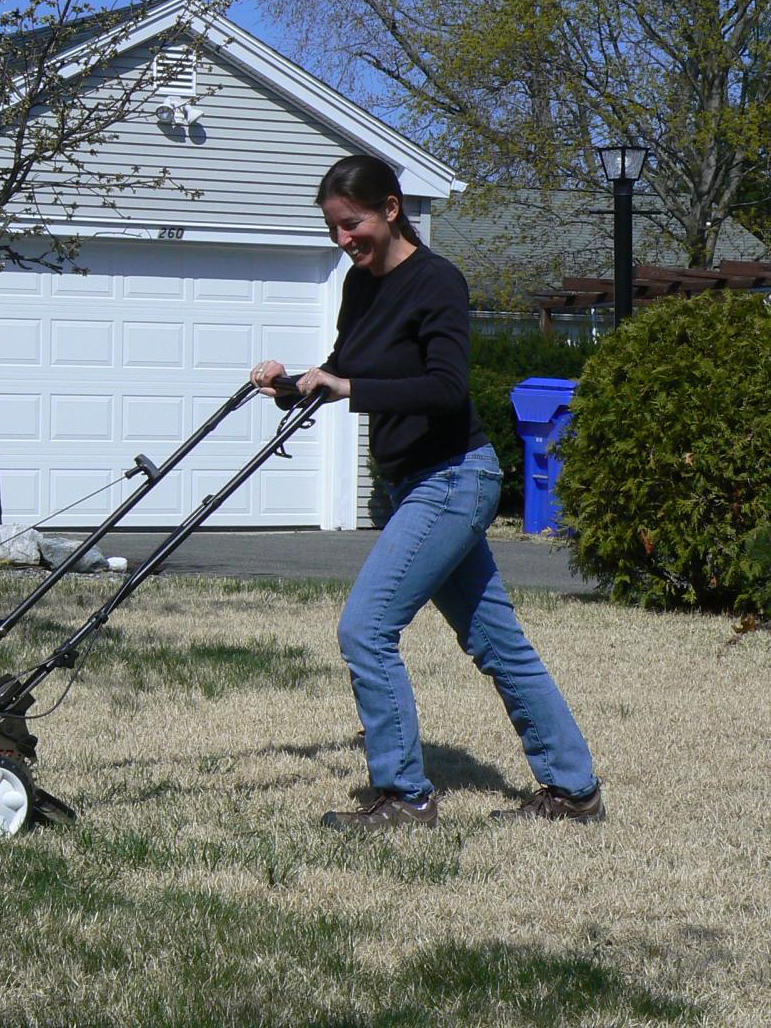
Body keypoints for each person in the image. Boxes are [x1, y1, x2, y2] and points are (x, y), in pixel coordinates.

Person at [251, 154, 603, 831]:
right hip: (414, 484)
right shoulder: (360, 288)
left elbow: (445, 388)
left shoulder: (438, 281)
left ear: (389, 208)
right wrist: (290, 383)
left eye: (351, 225)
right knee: (499, 643)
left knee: (365, 628)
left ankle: (406, 796)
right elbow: (345, 370)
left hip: (454, 478)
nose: (343, 241)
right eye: (332, 230)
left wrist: (346, 387)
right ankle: (576, 789)